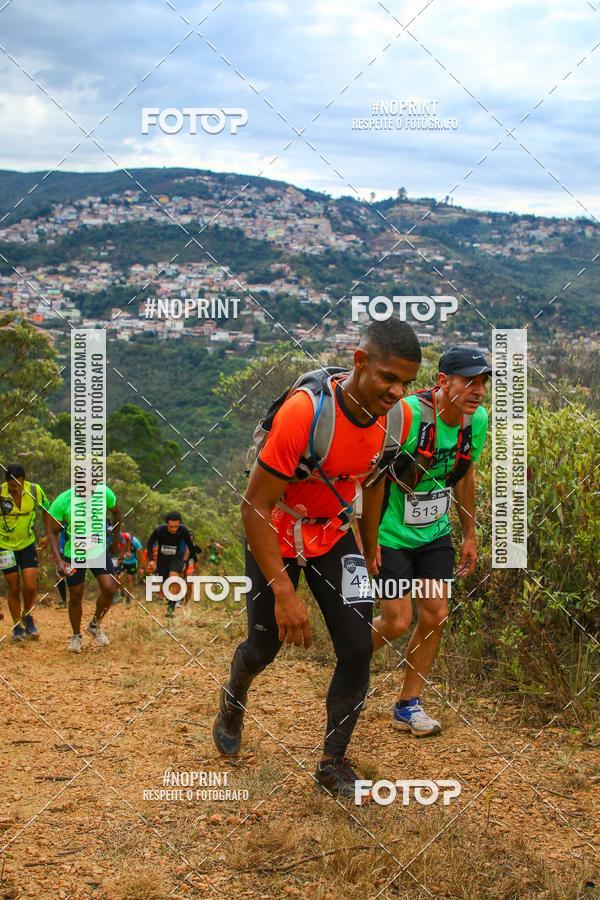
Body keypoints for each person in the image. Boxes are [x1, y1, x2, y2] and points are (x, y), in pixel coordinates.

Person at [212, 319, 422, 799]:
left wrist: (370, 545)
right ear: (360, 361)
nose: (397, 391)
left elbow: (375, 479)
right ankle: (233, 697)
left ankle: (332, 763)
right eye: (388, 378)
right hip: (277, 531)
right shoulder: (304, 414)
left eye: (406, 383)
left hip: (332, 536)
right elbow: (254, 505)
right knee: (264, 648)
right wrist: (284, 593)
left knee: (357, 647)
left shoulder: (398, 418)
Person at [370, 347, 491, 736]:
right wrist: (365, 539)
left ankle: (409, 705)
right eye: (469, 381)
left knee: (436, 614)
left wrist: (469, 533)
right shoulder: (405, 414)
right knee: (396, 621)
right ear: (443, 381)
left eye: (483, 382)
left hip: (434, 533)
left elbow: (464, 474)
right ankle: (351, 657)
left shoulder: (477, 420)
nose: (478, 390)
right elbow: (369, 478)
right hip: (390, 534)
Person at [48, 484, 121, 652]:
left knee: (110, 588)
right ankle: (76, 636)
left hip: (98, 551)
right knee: (75, 595)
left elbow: (116, 512)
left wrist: (115, 540)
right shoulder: (64, 500)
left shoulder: (105, 492)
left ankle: (95, 625)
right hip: (74, 554)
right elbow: (52, 531)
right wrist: (59, 561)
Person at [0, 463, 52, 641]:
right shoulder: (1, 492)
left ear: (24, 481)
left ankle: (27, 615)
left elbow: (47, 510)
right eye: (12, 485)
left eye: (19, 484)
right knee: (13, 587)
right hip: (5, 546)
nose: (15, 488)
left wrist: (47, 534)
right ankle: (17, 626)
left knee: (30, 586)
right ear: (6, 482)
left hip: (27, 544)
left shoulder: (35, 490)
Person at [146, 512, 195, 618]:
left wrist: (186, 562)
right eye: (171, 527)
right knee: (166, 583)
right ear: (167, 524)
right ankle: (169, 598)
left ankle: (171, 606)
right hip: (162, 559)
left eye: (176, 526)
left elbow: (190, 545)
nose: (174, 529)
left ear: (180, 524)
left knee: (174, 578)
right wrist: (151, 560)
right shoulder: (159, 531)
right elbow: (150, 543)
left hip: (176, 557)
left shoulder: (183, 530)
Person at [119, 531, 143, 606]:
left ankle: (128, 597)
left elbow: (140, 555)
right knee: (119, 578)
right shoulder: (120, 540)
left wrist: (140, 567)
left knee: (130, 579)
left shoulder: (135, 542)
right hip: (123, 562)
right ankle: (122, 591)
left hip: (132, 562)